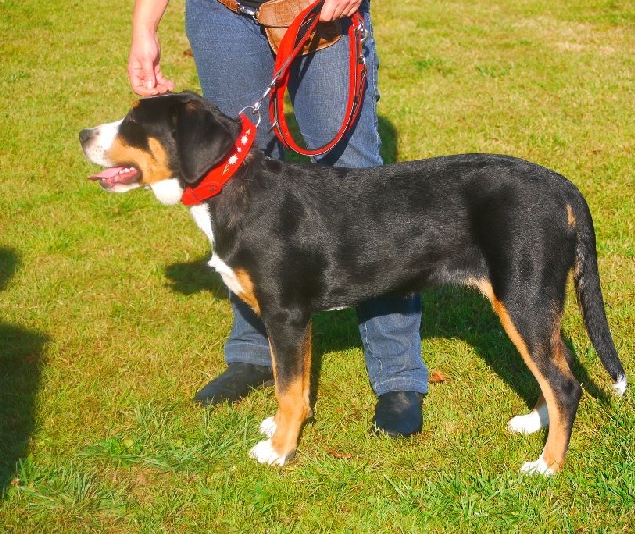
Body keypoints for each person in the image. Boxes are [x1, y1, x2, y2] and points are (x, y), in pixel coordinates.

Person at [128, 0, 428, 437]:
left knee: (356, 177)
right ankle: (254, 352)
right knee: (235, 171)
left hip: (319, 9)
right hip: (221, 12)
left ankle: (397, 372)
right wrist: (145, 24)